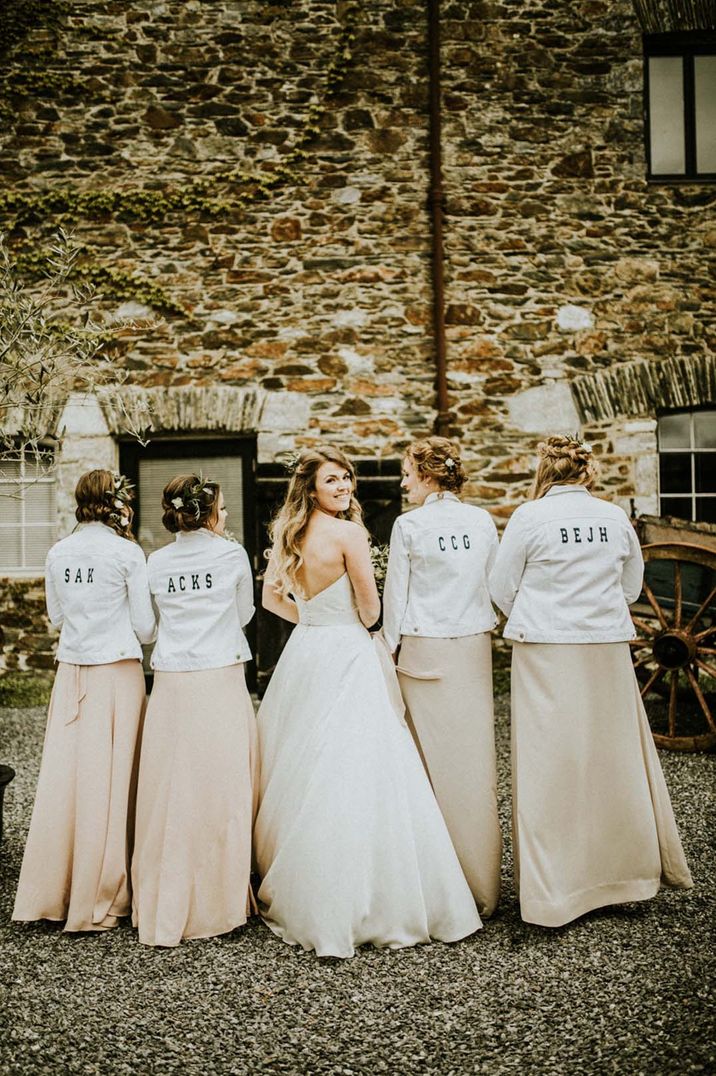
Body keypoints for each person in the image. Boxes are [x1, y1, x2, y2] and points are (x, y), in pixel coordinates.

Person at [254, 446, 482, 958]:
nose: (343, 487)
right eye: (332, 481)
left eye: (347, 479)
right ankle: (371, 893)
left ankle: (307, 882)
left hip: (307, 653)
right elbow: (370, 604)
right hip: (348, 652)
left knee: (306, 758)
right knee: (359, 758)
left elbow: (271, 599)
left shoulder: (289, 534)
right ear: (311, 488)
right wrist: (361, 627)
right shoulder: (351, 534)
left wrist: (311, 620)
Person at [489, 435, 693, 928]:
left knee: (550, 761)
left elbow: (500, 585)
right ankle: (621, 874)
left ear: (544, 471)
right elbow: (630, 585)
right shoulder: (614, 518)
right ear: (586, 472)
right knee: (610, 757)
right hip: (604, 647)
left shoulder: (528, 517)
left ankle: (554, 888)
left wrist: (534, 615)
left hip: (545, 650)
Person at [13, 470, 155, 932]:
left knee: (71, 779)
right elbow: (145, 627)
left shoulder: (58, 552)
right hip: (116, 669)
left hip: (72, 670)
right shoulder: (126, 552)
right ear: (118, 502)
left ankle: (60, 885)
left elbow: (56, 616)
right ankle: (107, 887)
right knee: (115, 777)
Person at [131, 475, 257, 947]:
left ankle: (168, 892)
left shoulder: (156, 561)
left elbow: (148, 625)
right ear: (209, 513)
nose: (225, 517)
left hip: (173, 681)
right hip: (220, 674)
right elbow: (243, 613)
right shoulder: (231, 555)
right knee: (220, 785)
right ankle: (220, 899)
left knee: (171, 788)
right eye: (222, 510)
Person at [382, 436, 502, 918]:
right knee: (473, 762)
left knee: (425, 764)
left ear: (428, 475)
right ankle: (482, 886)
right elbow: (494, 587)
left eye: (408, 472)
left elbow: (396, 596)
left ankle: (436, 883)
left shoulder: (408, 525)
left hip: (424, 649)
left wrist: (385, 649)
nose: (404, 482)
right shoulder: (482, 521)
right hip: (473, 646)